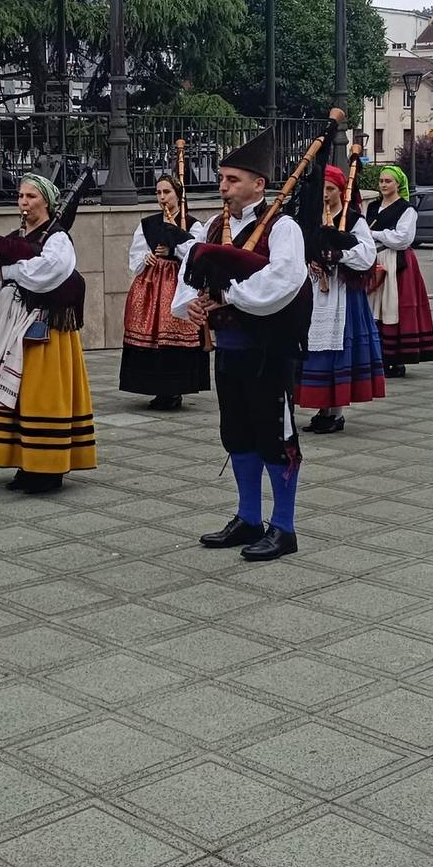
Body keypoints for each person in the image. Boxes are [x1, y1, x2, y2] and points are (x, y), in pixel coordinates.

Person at [175, 129, 309, 562]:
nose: (224, 186)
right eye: (222, 178)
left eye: (233, 179)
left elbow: (284, 280)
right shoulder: (215, 226)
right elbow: (190, 273)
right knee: (237, 435)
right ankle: (248, 517)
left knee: (275, 437)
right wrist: (190, 307)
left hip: (268, 350)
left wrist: (231, 295)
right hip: (230, 349)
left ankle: (283, 528)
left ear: (258, 184)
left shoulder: (283, 227)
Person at [0, 173, 96, 493]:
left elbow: (48, 273)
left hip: (47, 324)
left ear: (47, 202)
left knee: (43, 394)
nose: (24, 202)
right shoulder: (17, 236)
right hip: (15, 324)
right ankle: (25, 463)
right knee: (19, 395)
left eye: (31, 197)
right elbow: (0, 269)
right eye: (21, 196)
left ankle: (48, 468)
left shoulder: (57, 238)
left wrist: (6, 270)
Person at [295, 164, 384, 434]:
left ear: (341, 190)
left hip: (343, 293)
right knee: (315, 348)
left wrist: (337, 256)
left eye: (331, 189)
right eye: (322, 188)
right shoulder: (309, 217)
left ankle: (336, 412)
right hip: (315, 289)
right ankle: (322, 408)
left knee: (338, 349)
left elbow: (368, 255)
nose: (325, 194)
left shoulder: (353, 218)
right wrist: (310, 261)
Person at [120, 174, 210, 410]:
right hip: (151, 283)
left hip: (178, 283)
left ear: (178, 195)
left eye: (167, 192)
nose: (162, 197)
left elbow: (195, 255)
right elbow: (135, 256)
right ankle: (156, 387)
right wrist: (145, 257)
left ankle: (175, 389)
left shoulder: (192, 224)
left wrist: (174, 245)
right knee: (149, 334)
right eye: (159, 193)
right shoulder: (148, 224)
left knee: (175, 330)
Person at [364, 164, 433, 374]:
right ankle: (376, 356)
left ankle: (396, 359)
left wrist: (374, 234)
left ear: (398, 184)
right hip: (374, 259)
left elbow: (402, 239)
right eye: (381, 181)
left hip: (395, 262)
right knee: (373, 306)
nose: (384, 184)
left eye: (388, 181)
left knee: (391, 307)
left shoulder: (407, 209)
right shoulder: (372, 207)